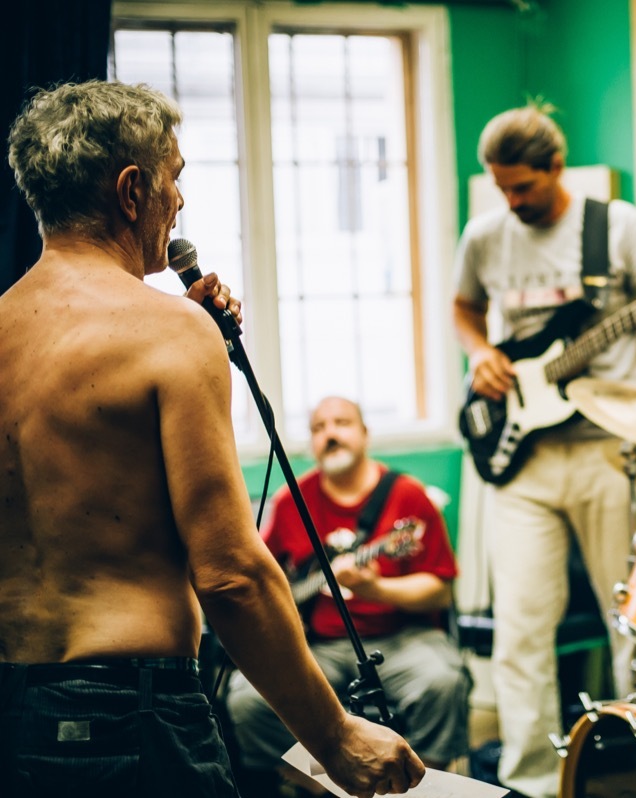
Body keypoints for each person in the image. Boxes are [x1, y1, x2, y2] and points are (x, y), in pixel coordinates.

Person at [0, 80, 423, 797]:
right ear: (132, 190)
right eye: (176, 178)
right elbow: (230, 573)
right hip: (129, 717)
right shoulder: (168, 331)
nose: (182, 201)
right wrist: (336, 735)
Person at [451, 101, 636, 798]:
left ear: (556, 168)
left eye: (524, 188)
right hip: (524, 459)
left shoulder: (615, 227)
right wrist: (480, 352)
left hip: (610, 452)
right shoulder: (485, 235)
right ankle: (532, 783)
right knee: (520, 633)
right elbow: (465, 306)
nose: (512, 202)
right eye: (502, 188)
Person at [225, 395, 471, 795]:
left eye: (341, 422)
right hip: (319, 645)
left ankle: (421, 787)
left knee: (442, 682)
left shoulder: (407, 497)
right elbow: (263, 581)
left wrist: (376, 588)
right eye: (319, 428)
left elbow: (440, 591)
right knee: (247, 700)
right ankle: (328, 788)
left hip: (401, 640)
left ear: (364, 433)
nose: (330, 434)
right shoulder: (291, 502)